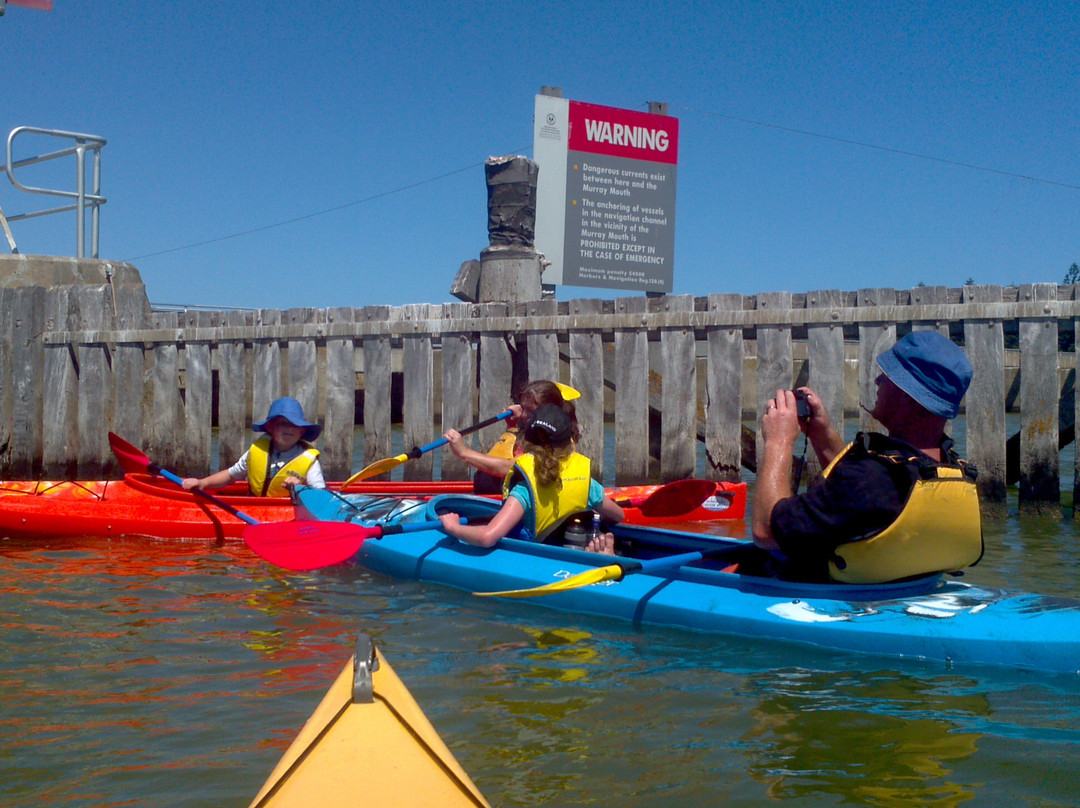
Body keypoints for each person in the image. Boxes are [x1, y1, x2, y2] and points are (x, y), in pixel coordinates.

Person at [751, 330, 982, 583]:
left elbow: (766, 532)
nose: (878, 381)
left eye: (888, 376)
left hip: (836, 601)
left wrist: (778, 441)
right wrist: (822, 434)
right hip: (912, 586)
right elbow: (857, 503)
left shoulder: (870, 480)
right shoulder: (950, 469)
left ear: (907, 395)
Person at [438, 404, 623, 553]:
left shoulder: (525, 488)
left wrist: (454, 528)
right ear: (569, 442)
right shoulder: (586, 481)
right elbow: (618, 515)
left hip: (539, 557)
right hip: (573, 545)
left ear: (525, 440)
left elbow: (487, 537)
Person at [444, 380, 581, 494]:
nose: (524, 415)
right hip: (498, 497)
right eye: (523, 408)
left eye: (530, 410)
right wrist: (512, 426)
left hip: (524, 503)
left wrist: (463, 452)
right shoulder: (534, 433)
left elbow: (514, 467)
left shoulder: (553, 439)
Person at [182, 397, 326, 497]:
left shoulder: (309, 460)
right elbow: (231, 475)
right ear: (271, 429)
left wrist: (301, 488)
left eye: (295, 425)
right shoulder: (257, 451)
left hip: (289, 509)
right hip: (255, 507)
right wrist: (202, 483)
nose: (289, 429)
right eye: (282, 424)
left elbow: (321, 496)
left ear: (302, 431)